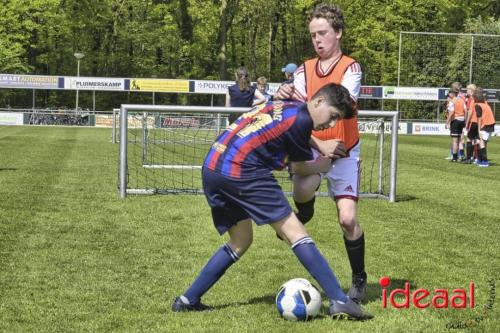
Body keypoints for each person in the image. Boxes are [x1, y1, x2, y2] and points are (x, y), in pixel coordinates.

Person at [171, 83, 372, 320]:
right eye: (333, 116)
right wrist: (321, 165)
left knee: (240, 240)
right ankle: (339, 300)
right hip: (242, 170)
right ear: (318, 102)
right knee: (296, 233)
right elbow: (298, 167)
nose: (331, 124)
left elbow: (288, 129)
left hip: (213, 167)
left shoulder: (289, 107)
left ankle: (187, 300)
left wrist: (318, 146)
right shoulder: (302, 120)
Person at [274, 3, 366, 303]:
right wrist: (285, 94)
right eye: (313, 35)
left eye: (323, 33)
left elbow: (342, 109)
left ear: (338, 33)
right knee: (302, 188)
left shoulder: (351, 67)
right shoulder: (303, 69)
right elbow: (298, 112)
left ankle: (359, 278)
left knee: (348, 220)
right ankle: (306, 212)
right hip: (314, 147)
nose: (317, 40)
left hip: (344, 151)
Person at [474, 87, 496, 167]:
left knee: (482, 142)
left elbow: (479, 118)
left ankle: (485, 162)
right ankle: (480, 160)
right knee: (482, 142)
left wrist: (479, 130)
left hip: (485, 125)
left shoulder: (478, 105)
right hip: (491, 124)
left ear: (476, 97)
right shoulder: (485, 104)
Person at [445, 89, 467, 162]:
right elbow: (466, 111)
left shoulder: (452, 101)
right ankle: (462, 155)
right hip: (462, 120)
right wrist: (465, 120)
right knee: (460, 139)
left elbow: (451, 112)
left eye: (449, 94)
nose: (449, 96)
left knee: (455, 140)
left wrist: (447, 122)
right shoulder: (461, 100)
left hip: (455, 121)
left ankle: (454, 158)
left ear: (452, 94)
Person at [451, 82, 467, 160]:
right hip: (462, 118)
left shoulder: (458, 97)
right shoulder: (463, 96)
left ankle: (458, 155)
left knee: (458, 138)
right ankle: (460, 154)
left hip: (458, 118)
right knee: (460, 137)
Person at [464, 84, 478, 163]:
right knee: (476, 140)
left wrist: (466, 123)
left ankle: (468, 158)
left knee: (469, 139)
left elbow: (470, 112)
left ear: (471, 91)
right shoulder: (478, 98)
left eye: (467, 90)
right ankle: (476, 157)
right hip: (478, 122)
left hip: (472, 121)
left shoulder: (471, 99)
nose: (467, 91)